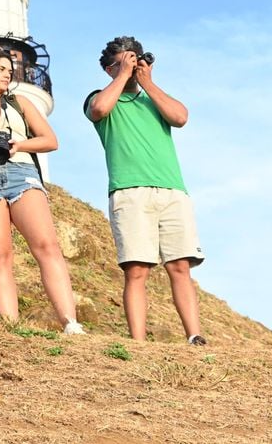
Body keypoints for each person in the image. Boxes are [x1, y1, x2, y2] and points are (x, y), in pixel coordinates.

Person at [0, 50, 83, 334]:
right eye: (0, 68)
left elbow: (50, 140)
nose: (8, 73)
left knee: (47, 246)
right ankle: (10, 327)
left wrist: (19, 145)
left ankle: (70, 323)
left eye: (10, 69)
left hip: (23, 174)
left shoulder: (20, 103)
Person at [85, 36, 206, 345]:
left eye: (135, 59)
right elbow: (99, 109)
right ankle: (138, 342)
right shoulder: (100, 97)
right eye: (123, 61)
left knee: (180, 266)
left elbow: (180, 117)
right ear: (109, 68)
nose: (132, 65)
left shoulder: (153, 100)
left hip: (172, 190)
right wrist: (123, 74)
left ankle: (195, 336)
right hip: (129, 190)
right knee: (137, 269)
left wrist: (146, 81)